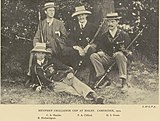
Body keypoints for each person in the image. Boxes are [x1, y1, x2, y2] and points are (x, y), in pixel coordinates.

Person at [30, 42, 104, 104]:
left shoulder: (51, 61)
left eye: (43, 53)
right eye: (38, 53)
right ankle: (84, 97)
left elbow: (65, 67)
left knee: (77, 83)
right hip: (55, 84)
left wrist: (69, 72)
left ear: (45, 54)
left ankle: (95, 96)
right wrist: (36, 87)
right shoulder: (34, 68)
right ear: (35, 54)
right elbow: (33, 81)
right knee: (70, 90)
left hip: (64, 76)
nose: (41, 55)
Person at [89, 12, 132, 90]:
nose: (110, 24)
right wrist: (100, 51)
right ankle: (104, 79)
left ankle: (124, 82)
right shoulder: (104, 36)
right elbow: (100, 48)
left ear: (117, 22)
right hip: (108, 59)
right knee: (93, 56)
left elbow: (130, 53)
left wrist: (124, 52)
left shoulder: (124, 35)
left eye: (112, 21)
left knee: (119, 54)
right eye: (108, 22)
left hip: (120, 60)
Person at [27, 2, 68, 76]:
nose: (52, 12)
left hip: (56, 48)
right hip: (44, 47)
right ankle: (31, 73)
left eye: (53, 10)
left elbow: (65, 38)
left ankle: (47, 75)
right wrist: (37, 46)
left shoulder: (59, 23)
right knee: (33, 53)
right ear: (45, 12)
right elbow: (36, 37)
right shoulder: (42, 24)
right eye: (50, 10)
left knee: (47, 53)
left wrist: (58, 38)